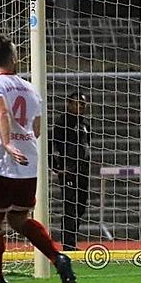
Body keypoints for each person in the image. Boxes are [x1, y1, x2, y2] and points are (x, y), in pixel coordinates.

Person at [0, 34, 75, 283]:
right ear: (15, 57)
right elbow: (38, 129)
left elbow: (1, 110)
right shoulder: (31, 88)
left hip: (2, 164)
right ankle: (57, 257)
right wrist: (21, 139)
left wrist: (7, 142)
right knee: (19, 219)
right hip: (28, 166)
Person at [51, 91, 91, 252]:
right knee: (70, 205)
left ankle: (72, 240)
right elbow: (52, 144)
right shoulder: (62, 123)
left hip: (82, 169)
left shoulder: (85, 125)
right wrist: (56, 167)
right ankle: (67, 244)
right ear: (69, 104)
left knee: (81, 205)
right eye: (77, 103)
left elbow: (85, 146)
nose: (80, 107)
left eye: (82, 104)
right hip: (68, 170)